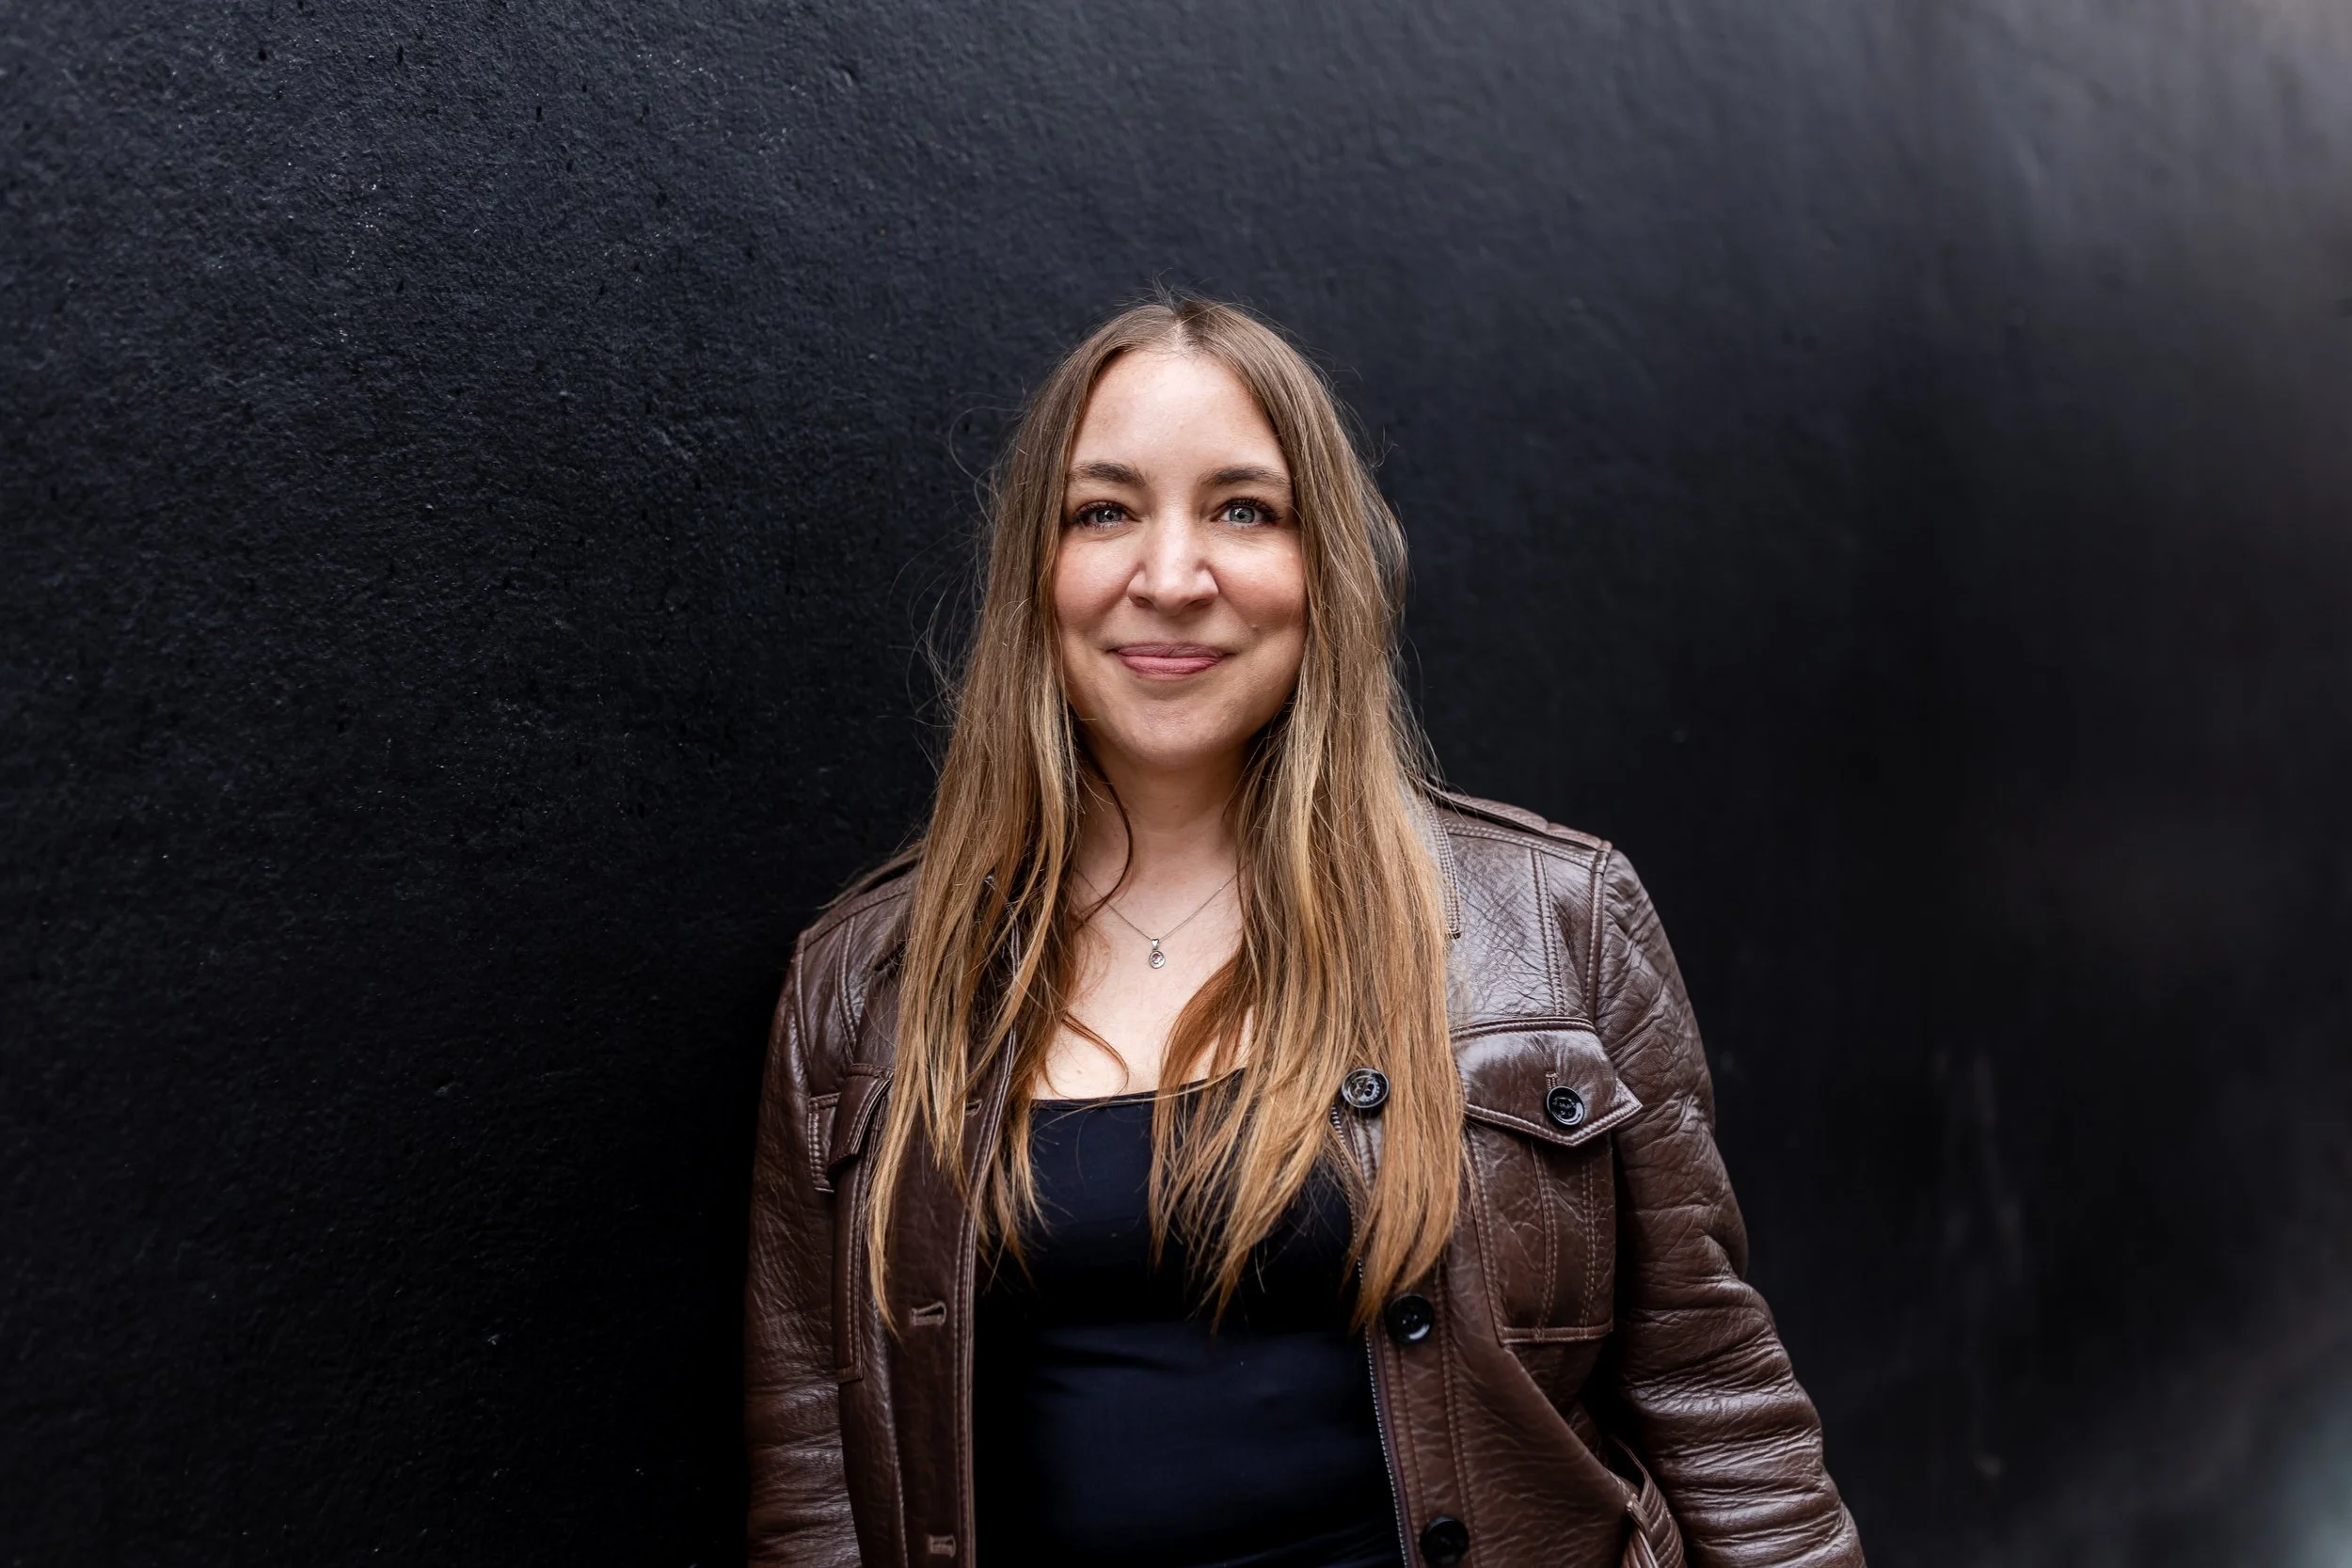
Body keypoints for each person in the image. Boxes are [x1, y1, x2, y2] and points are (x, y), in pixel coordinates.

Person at [745, 295, 1864, 1568]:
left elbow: (1718, 1401)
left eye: (1243, 509)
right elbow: (813, 1476)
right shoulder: (864, 988)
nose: (1171, 579)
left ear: (1322, 562)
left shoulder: (1556, 925)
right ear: (1035, 570)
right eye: (1103, 509)